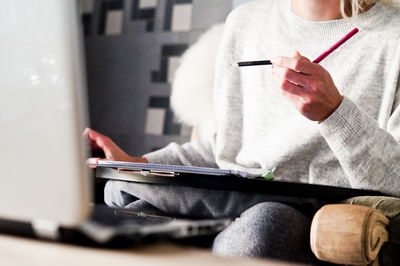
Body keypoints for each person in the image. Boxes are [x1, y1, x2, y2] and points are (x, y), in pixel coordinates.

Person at [86, 0, 400, 262]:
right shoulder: (246, 22)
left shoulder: (393, 36)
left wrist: (335, 113)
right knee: (122, 193)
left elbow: (395, 181)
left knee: (266, 224)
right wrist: (136, 163)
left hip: (316, 213)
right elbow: (228, 150)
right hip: (237, 197)